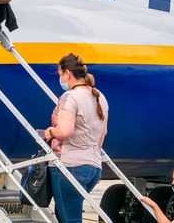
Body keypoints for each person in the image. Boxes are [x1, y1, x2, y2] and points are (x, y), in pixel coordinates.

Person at [43, 53, 109, 223]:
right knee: (64, 215)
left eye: (60, 75)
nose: (61, 80)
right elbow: (103, 134)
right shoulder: (100, 97)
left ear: (67, 73)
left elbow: (65, 132)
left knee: (70, 219)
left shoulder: (69, 97)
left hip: (70, 166)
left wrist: (50, 131)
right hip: (93, 167)